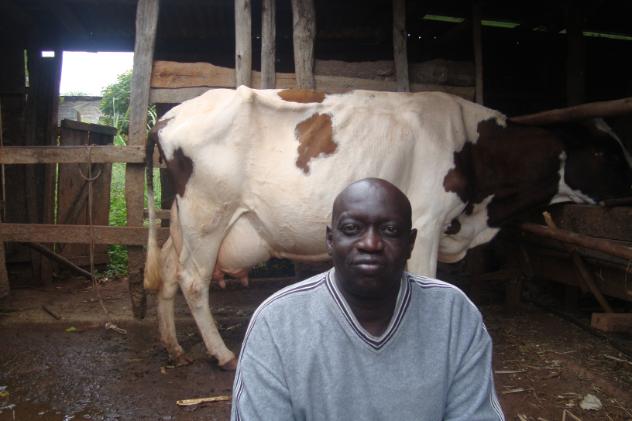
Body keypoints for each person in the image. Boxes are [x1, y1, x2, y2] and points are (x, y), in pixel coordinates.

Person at [231, 178, 504, 421]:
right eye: (352, 228)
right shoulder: (277, 323)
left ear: (410, 244)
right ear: (330, 240)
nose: (370, 243)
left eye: (389, 230)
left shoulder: (454, 316)